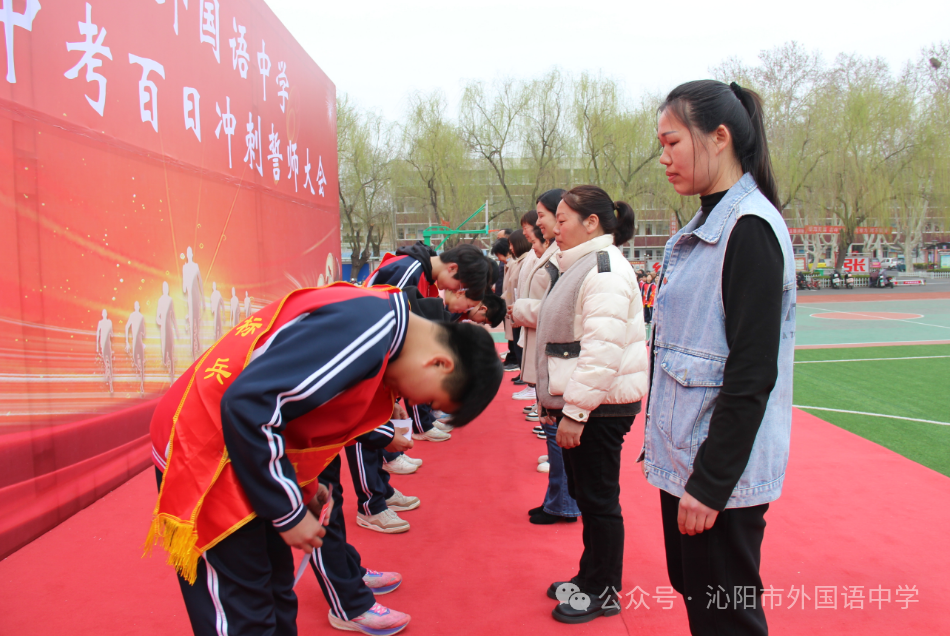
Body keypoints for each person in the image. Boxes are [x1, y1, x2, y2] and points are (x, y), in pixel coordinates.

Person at [146, 283, 502, 636]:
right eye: (433, 401)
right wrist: (287, 512)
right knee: (242, 608)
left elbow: (303, 412)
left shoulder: (383, 324)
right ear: (440, 363)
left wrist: (303, 486)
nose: (415, 402)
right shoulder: (370, 329)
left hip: (245, 445)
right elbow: (249, 405)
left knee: (275, 590)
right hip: (207, 447)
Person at [642, 80, 796, 636]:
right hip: (685, 461)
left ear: (720, 137)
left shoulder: (748, 230)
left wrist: (709, 484)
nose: (663, 158)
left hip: (715, 478)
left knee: (727, 619)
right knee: (703, 605)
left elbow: (753, 373)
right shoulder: (704, 226)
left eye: (672, 142)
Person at [536, 186, 648, 624]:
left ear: (592, 223)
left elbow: (601, 352)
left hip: (601, 407)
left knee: (599, 500)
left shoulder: (603, 270)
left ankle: (603, 590)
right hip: (591, 404)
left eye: (562, 220)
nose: (555, 228)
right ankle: (588, 577)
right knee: (587, 494)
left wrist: (576, 413)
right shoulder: (583, 264)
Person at [511, 189, 584, 525]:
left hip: (559, 354)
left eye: (542, 215)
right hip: (547, 350)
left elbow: (559, 309)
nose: (537, 222)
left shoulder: (564, 256)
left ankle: (564, 502)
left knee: (557, 434)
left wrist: (523, 309)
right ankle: (557, 498)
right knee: (552, 431)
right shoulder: (555, 252)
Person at [502, 230, 531, 377]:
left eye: (512, 244)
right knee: (517, 346)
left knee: (522, 347)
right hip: (514, 310)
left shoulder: (525, 262)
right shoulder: (519, 262)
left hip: (519, 310)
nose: (511, 249)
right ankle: (523, 376)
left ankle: (527, 379)